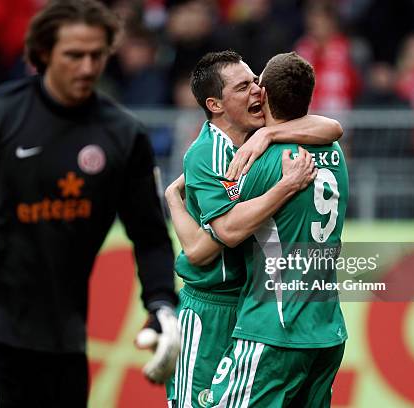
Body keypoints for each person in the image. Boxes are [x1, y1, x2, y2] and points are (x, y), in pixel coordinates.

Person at [0, 1, 179, 406]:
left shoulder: (123, 136)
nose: (86, 68)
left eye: (96, 55)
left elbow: (150, 235)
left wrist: (162, 303)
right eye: (73, 55)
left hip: (61, 340)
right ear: (43, 54)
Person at [164, 50, 343, 407]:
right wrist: (285, 187)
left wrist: (269, 137)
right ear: (215, 104)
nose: (258, 92)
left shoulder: (257, 137)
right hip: (212, 308)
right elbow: (212, 243)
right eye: (244, 87)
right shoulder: (206, 154)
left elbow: (332, 127)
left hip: (250, 306)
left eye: (256, 81)